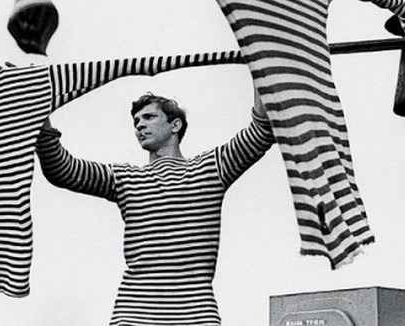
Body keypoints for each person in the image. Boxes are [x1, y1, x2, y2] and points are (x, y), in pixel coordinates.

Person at [35, 88, 274, 326]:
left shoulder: (210, 169)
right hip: (134, 316)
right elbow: (62, 169)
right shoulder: (126, 179)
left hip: (196, 317)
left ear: (175, 125)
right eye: (136, 121)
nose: (139, 125)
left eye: (149, 117)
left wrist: (261, 68)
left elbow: (262, 130)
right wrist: (36, 105)